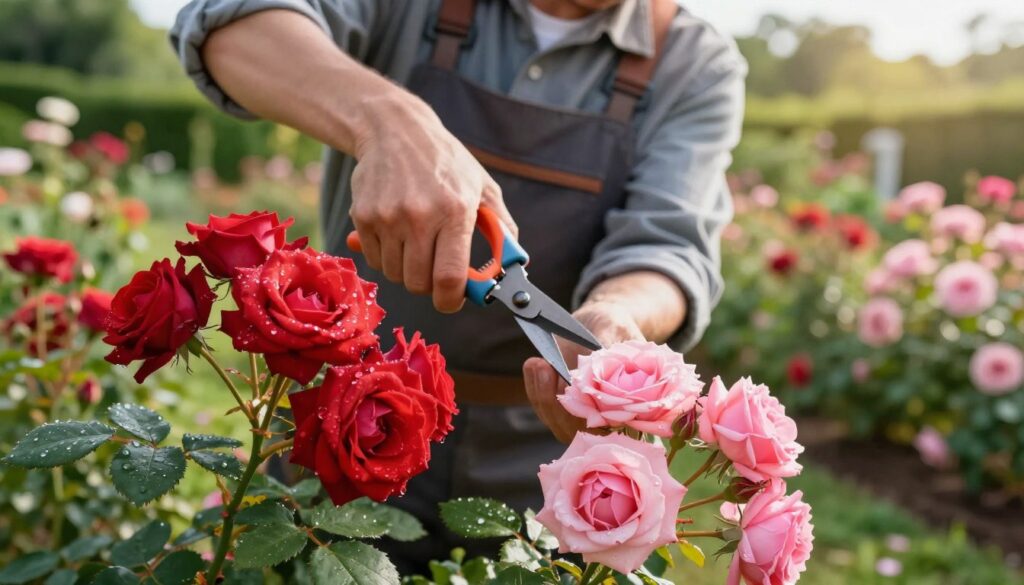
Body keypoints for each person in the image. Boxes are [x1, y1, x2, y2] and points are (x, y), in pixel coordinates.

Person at [170, 0, 746, 572]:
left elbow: (670, 247)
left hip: (547, 468)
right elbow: (226, 24)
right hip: (345, 424)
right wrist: (390, 122)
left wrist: (617, 311)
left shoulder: (694, 61)